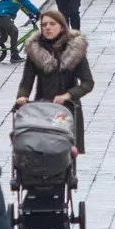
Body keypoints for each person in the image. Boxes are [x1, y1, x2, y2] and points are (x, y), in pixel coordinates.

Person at [17, 8, 94, 154]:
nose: (47, 28)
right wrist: (22, 96)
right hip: (43, 108)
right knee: (41, 148)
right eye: (44, 25)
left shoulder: (75, 50)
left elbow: (87, 83)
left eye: (52, 24)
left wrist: (67, 95)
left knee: (67, 152)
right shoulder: (35, 50)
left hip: (69, 109)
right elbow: (26, 82)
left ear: (62, 26)